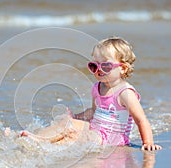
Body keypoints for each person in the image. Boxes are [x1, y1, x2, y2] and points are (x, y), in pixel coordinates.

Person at [19, 36, 162, 151]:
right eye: (94, 65)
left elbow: (141, 120)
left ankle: (44, 146)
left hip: (112, 138)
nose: (98, 70)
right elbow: (93, 112)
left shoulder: (125, 93)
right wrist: (76, 117)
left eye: (105, 65)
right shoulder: (97, 87)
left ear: (123, 68)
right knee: (66, 122)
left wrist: (148, 142)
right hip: (95, 128)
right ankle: (35, 138)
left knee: (74, 135)